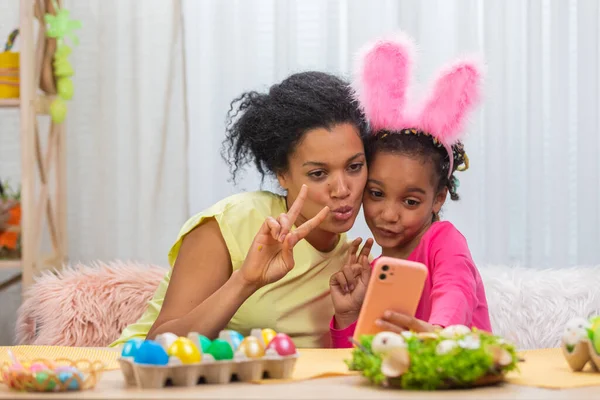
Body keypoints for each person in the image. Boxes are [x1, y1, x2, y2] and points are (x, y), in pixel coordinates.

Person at [110, 71, 371, 348]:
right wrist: (246, 281)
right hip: (140, 375)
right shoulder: (232, 224)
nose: (342, 189)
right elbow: (158, 346)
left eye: (354, 167)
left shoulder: (350, 261)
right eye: (318, 174)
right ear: (281, 174)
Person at [328, 34, 492, 348]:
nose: (388, 215)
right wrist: (350, 315)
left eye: (411, 201)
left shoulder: (443, 241)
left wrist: (441, 330)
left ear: (438, 199)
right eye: (376, 194)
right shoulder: (378, 272)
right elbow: (360, 363)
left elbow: (455, 289)